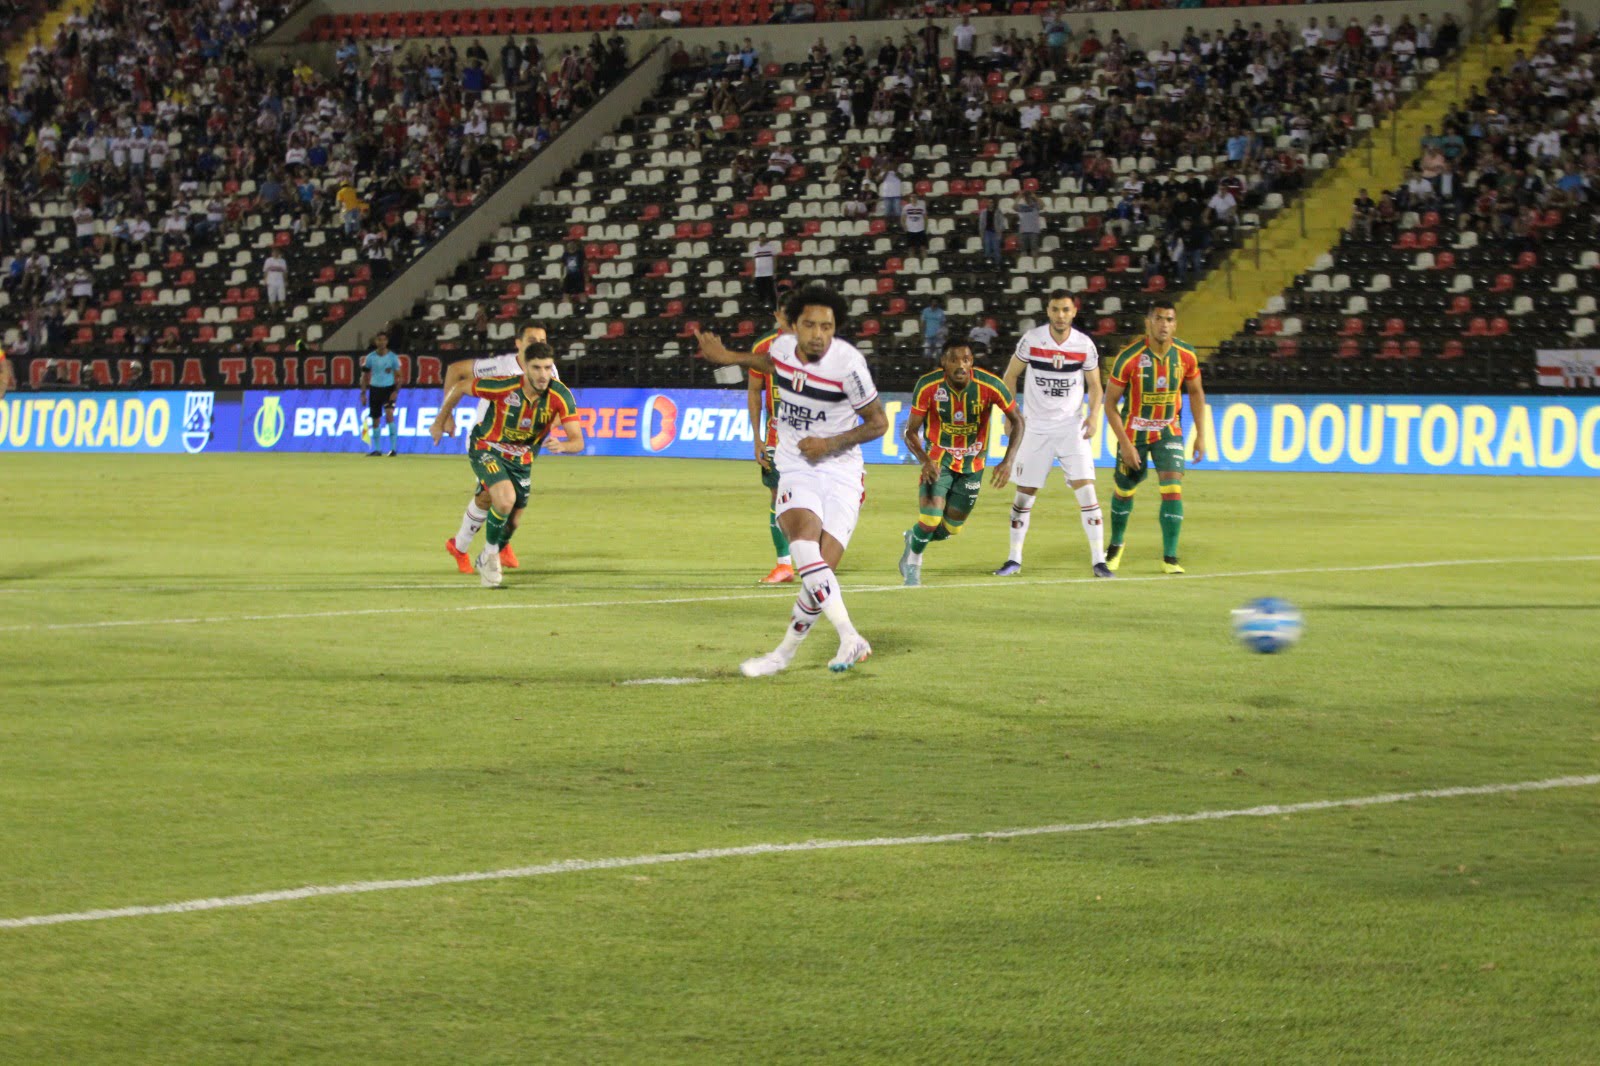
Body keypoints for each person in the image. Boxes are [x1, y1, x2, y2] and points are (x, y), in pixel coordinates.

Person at [693, 283, 888, 675]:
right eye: (810, 325)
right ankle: (850, 636)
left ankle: (782, 655)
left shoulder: (849, 365)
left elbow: (879, 423)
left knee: (819, 577)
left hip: (843, 469)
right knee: (803, 544)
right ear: (793, 326)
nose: (819, 334)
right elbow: (770, 364)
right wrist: (727, 356)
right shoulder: (781, 348)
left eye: (827, 327)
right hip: (797, 464)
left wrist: (831, 442)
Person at [429, 342, 585, 588]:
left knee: (511, 520)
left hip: (521, 459)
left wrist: (564, 446)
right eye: (537, 368)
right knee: (504, 499)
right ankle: (489, 556)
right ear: (525, 368)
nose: (543, 374)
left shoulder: (560, 395)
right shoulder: (504, 385)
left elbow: (578, 441)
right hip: (486, 447)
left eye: (547, 368)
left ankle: (465, 547)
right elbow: (460, 386)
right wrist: (441, 420)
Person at [992, 291, 1111, 578]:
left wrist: (1094, 415)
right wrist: (1011, 416)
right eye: (1056, 309)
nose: (1060, 315)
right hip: (1034, 427)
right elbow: (1010, 375)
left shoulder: (1084, 345)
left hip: (1071, 428)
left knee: (1087, 491)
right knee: (1024, 496)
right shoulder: (1032, 340)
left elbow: (1095, 385)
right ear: (1048, 310)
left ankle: (1099, 560)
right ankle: (1014, 559)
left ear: (1074, 312)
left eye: (1065, 310)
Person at [898, 343, 1024, 587]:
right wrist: (924, 461)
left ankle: (914, 537)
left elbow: (1018, 421)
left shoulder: (990, 385)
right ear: (943, 363)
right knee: (930, 520)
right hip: (938, 462)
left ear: (972, 362)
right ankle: (913, 566)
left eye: (966, 359)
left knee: (950, 529)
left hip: (972, 465)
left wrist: (1008, 461)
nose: (961, 365)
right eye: (954, 360)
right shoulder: (928, 385)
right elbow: (910, 432)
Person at [1102, 301, 1207, 575]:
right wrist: (1125, 443)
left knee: (1172, 488)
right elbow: (1110, 403)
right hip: (1133, 432)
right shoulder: (1129, 357)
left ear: (1175, 324)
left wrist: (1201, 436)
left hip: (1168, 431)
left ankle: (1170, 557)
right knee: (1124, 490)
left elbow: (1196, 392)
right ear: (1148, 322)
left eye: (1169, 319)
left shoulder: (1186, 355)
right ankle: (1115, 546)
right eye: (1158, 319)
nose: (1164, 324)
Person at [442, 323, 552, 573]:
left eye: (542, 339)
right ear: (518, 343)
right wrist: (446, 414)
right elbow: (456, 370)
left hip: (521, 444)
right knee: (492, 495)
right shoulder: (502, 366)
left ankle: (492, 545)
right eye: (532, 339)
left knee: (507, 498)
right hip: (488, 442)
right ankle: (465, 547)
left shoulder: (548, 369)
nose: (537, 344)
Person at [742, 304, 796, 584]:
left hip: (810, 436)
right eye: (784, 313)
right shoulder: (763, 346)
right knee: (777, 496)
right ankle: (784, 565)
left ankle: (816, 555)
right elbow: (754, 391)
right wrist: (757, 437)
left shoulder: (816, 346)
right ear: (777, 315)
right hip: (776, 437)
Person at [359, 332, 402, 457]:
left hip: (388, 389)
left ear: (387, 341)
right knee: (375, 420)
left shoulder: (393, 357)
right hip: (375, 389)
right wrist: (363, 393)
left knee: (389, 416)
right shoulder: (370, 357)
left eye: (384, 340)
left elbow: (400, 377)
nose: (381, 342)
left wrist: (395, 391)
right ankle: (377, 450)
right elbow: (364, 376)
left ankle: (393, 449)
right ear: (375, 342)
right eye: (379, 340)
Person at [748, 232, 781, 308]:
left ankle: (773, 307)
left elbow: (775, 259)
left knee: (770, 291)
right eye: (761, 237)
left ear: (766, 238)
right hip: (759, 273)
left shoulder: (770, 247)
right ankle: (761, 306)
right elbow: (753, 261)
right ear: (758, 238)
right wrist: (753, 272)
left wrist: (774, 271)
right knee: (760, 291)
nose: (762, 238)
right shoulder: (755, 248)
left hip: (769, 273)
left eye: (763, 237)